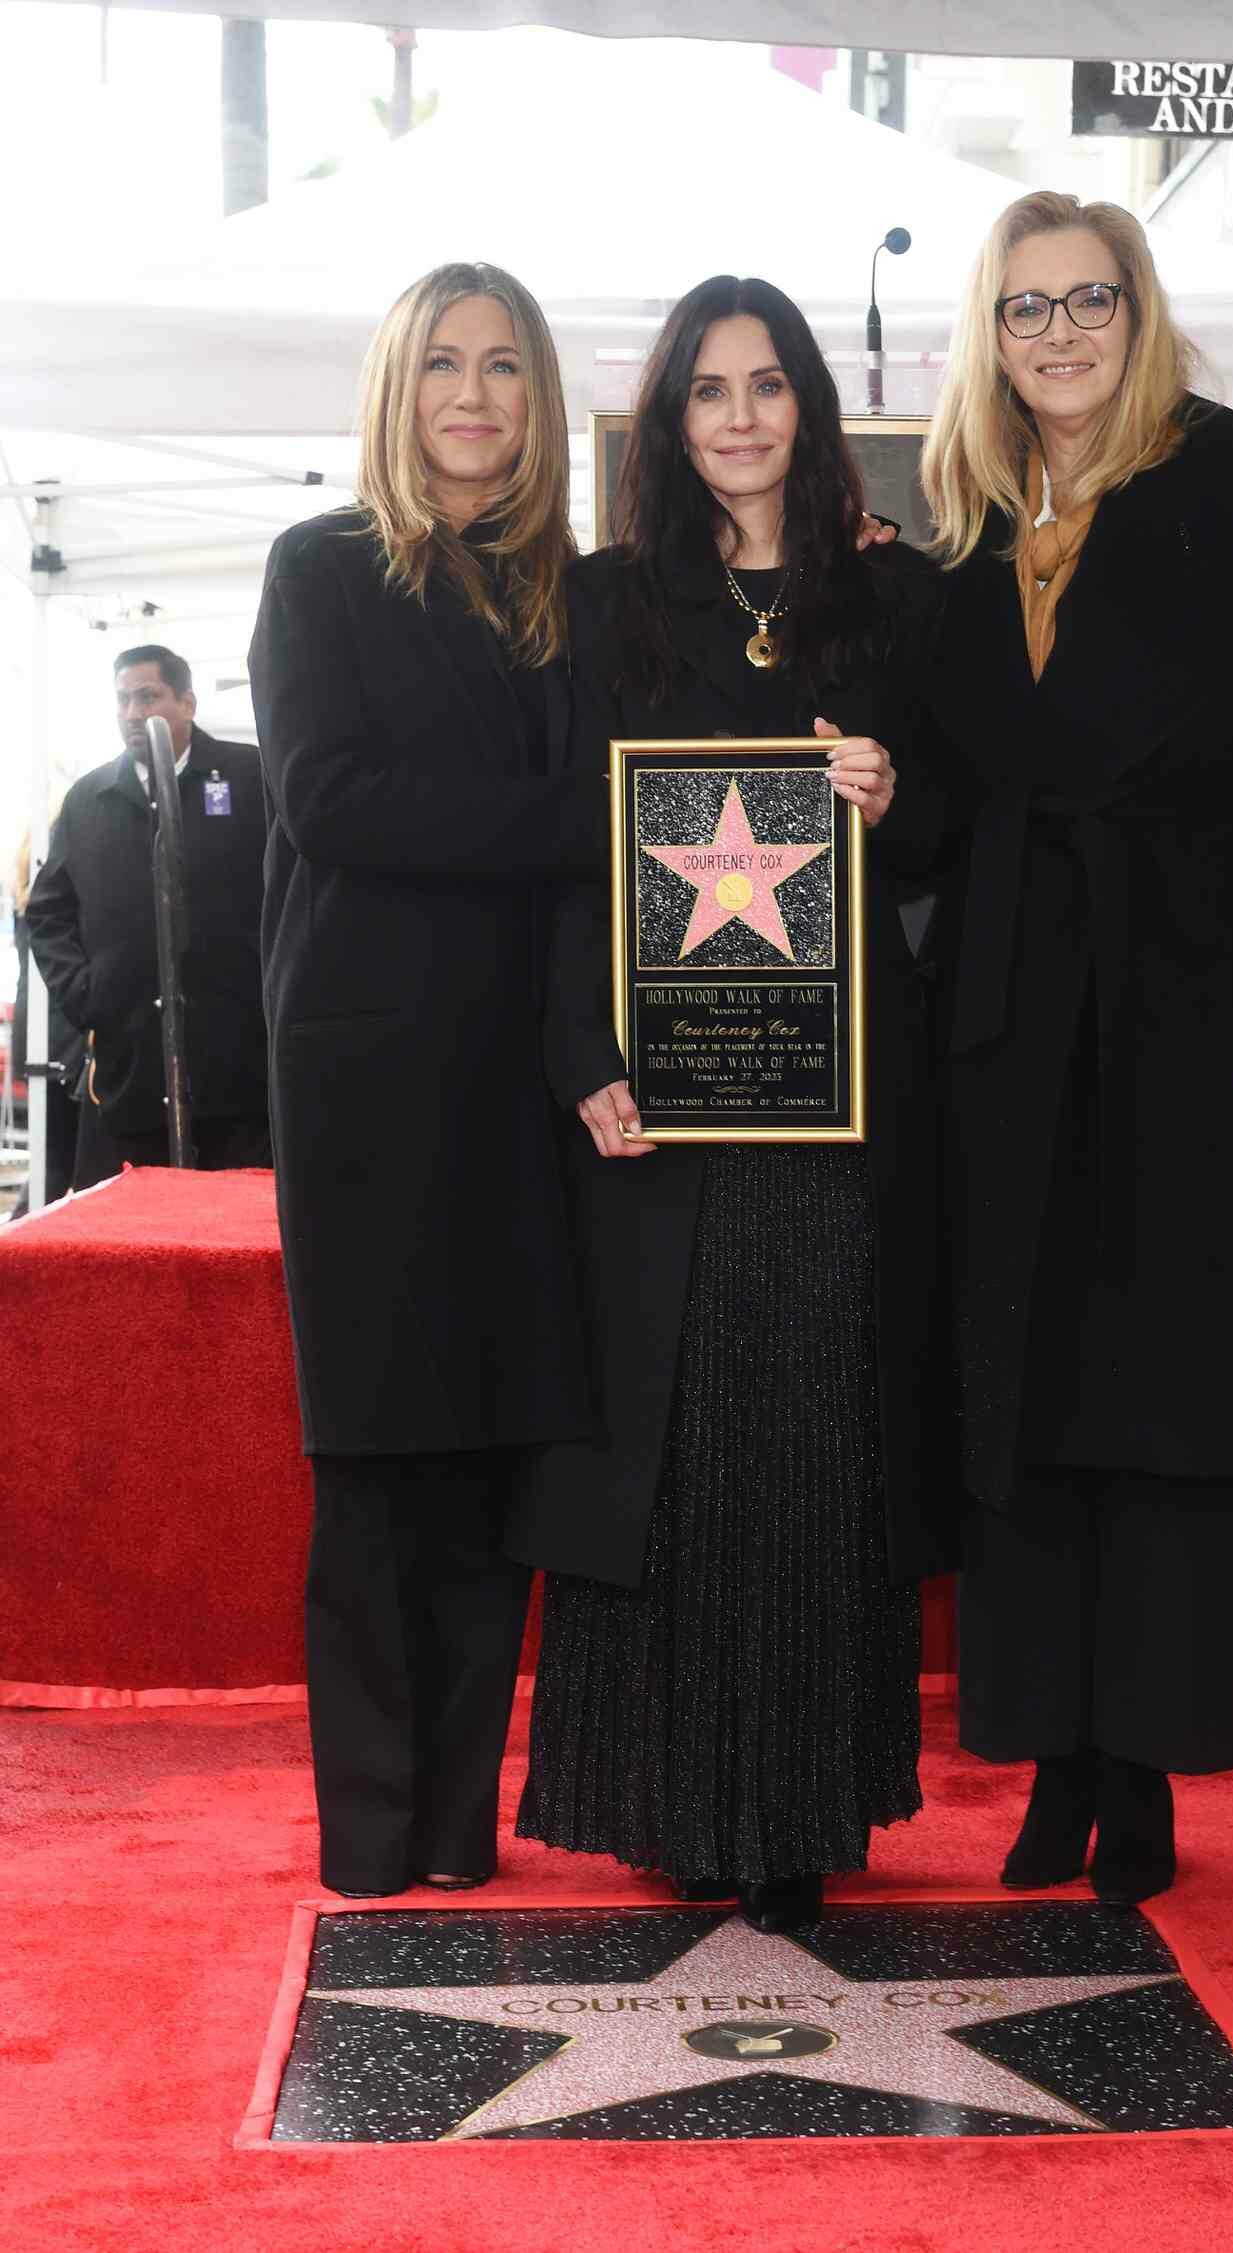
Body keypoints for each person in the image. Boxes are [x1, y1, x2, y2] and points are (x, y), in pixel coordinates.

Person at [921, 193, 1233, 1904]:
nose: (1059, 335)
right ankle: (1050, 1764)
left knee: (1161, 1399)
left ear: (1140, 304)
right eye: (1025, 309)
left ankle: (1145, 1775)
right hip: (1014, 1016)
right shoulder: (959, 521)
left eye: (1089, 299)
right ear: (993, 331)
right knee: (1022, 1387)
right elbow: (957, 789)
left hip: (1191, 1007)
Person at [511, 275, 955, 1934]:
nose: (744, 417)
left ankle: (802, 1810)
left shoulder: (889, 609)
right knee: (677, 1451)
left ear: (811, 408)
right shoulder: (604, 602)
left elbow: (952, 845)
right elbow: (562, 858)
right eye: (711, 390)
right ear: (668, 419)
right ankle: (676, 1798)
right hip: (661, 1108)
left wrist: (896, 796)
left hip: (841, 1113)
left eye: (770, 386)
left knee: (817, 1441)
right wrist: (580, 1058)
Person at [248, 262, 607, 1898]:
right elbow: (335, 803)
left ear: (538, 403)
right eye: (445, 365)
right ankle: (372, 1831)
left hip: (518, 1082)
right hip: (367, 1082)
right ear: (399, 390)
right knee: (380, 1461)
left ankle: (460, 1828)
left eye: (505, 369)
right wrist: (568, 824)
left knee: (489, 1458)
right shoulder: (319, 568)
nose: (474, 395)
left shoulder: (563, 595)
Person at [25, 647, 270, 1180]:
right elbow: (47, 911)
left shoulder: (249, 779)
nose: (132, 712)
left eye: (148, 696)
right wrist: (87, 994)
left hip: (237, 1067)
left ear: (187, 702)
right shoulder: (91, 798)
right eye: (122, 700)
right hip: (130, 1069)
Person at [7, 830, 85, 1218]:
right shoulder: (53, 906)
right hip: (61, 1037)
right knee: (60, 1162)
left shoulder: (24, 905)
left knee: (52, 1160)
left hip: (40, 1033)